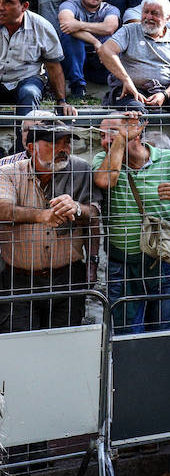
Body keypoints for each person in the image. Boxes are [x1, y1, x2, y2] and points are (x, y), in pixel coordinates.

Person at [93, 112, 170, 333]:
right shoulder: (102, 160)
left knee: (165, 332)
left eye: (110, 134)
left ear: (137, 132)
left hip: (165, 263)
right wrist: (119, 141)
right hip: (123, 267)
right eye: (102, 136)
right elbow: (106, 180)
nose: (104, 141)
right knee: (127, 336)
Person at [0, 117, 100, 332]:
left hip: (68, 277)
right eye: (55, 143)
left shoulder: (81, 169)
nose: (63, 148)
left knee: (63, 343)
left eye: (66, 142)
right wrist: (42, 216)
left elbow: (95, 214)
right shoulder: (8, 172)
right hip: (19, 280)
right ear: (31, 147)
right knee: (20, 344)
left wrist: (77, 208)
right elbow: (3, 211)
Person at [98, 0, 170, 164]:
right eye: (145, 12)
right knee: (135, 113)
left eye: (155, 13)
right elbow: (105, 51)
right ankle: (136, 163)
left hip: (166, 89)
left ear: (168, 18)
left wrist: (164, 95)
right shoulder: (129, 30)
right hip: (130, 90)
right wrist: (126, 80)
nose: (148, 17)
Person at [55, 0, 119, 98]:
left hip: (99, 63)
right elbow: (66, 24)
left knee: (113, 41)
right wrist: (96, 42)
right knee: (69, 36)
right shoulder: (69, 5)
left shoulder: (110, 9)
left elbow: (109, 28)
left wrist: (77, 25)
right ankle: (78, 88)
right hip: (72, 62)